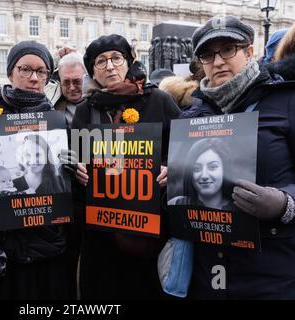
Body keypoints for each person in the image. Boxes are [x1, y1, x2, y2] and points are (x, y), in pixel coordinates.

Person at [179, 15, 295, 299]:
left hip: (272, 278)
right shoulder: (190, 118)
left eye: (228, 49)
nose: (218, 62)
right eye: (208, 54)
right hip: (208, 279)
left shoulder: (287, 102)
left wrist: (284, 203)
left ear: (250, 52)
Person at [71, 34, 180, 299]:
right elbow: (75, 156)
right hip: (102, 235)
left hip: (149, 229)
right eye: (101, 61)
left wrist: (170, 168)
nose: (110, 66)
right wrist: (76, 169)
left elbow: (184, 148)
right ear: (92, 71)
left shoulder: (159, 100)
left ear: (129, 62)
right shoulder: (86, 109)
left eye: (116, 58)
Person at [0, 40, 76, 299]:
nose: (34, 78)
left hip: (50, 245)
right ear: (11, 72)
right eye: (25, 69)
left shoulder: (60, 123)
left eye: (42, 72)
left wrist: (72, 172)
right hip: (3, 249)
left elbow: (75, 190)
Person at [168, 138, 234, 210]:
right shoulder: (176, 204)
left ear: (224, 170)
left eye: (212, 167)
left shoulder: (240, 209)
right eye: (197, 169)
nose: (204, 176)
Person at [53, 52, 87, 127]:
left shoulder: (101, 103)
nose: (72, 88)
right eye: (66, 82)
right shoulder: (51, 104)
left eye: (77, 81)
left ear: (87, 78)